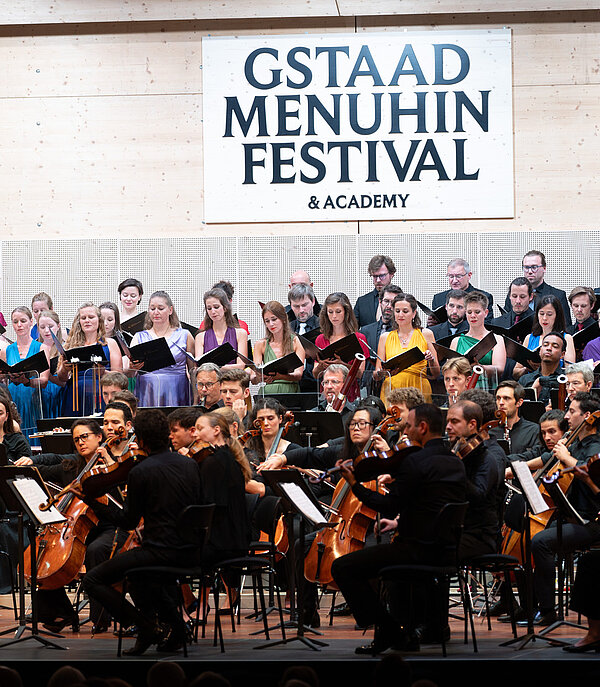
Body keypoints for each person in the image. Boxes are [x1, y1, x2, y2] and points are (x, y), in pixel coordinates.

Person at [329, 404, 467, 653]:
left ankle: (390, 631)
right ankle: (393, 632)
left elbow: (388, 504)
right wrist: (400, 523)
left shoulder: (415, 462)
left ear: (422, 427)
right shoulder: (454, 461)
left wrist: (354, 483)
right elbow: (432, 509)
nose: (405, 430)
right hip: (446, 551)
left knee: (342, 566)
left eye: (409, 425)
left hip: (416, 550)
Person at [81, 409, 205, 654]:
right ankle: (177, 630)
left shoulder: (141, 471)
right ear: (166, 435)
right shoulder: (189, 464)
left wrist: (93, 501)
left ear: (142, 441)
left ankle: (145, 626)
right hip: (192, 550)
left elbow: (127, 522)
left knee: (92, 579)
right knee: (138, 576)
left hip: (160, 552)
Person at [526, 392, 600, 626]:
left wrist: (566, 457)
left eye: (571, 411)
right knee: (529, 531)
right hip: (570, 516)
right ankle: (525, 604)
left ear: (587, 416)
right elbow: (548, 457)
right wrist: (514, 468)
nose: (566, 416)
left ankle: (547, 609)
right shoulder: (574, 440)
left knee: (541, 542)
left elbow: (590, 473)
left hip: (590, 520)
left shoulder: (596, 445)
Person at [445, 400, 503, 562]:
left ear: (472, 425)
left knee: (431, 552)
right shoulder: (456, 451)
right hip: (455, 531)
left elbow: (478, 495)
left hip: (479, 537)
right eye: (447, 421)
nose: (448, 426)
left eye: (454, 422)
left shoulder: (486, 458)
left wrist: (456, 470)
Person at [57, 302, 123, 416]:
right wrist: (64, 368)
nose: (87, 320)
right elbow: (62, 378)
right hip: (75, 395)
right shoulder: (70, 345)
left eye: (91, 317)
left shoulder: (110, 343)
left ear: (99, 320)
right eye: (83, 318)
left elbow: (120, 376)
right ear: (79, 322)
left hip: (101, 394)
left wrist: (103, 372)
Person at [131, 291, 194, 407]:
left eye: (160, 308)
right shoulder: (138, 337)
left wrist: (196, 397)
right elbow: (131, 372)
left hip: (177, 390)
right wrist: (133, 366)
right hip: (148, 391)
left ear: (170, 310)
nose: (156, 312)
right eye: (152, 308)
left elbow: (193, 370)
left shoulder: (185, 335)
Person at [375, 293, 439, 401]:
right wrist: (381, 372)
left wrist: (431, 360)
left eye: (405, 311)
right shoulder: (385, 337)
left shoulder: (426, 334)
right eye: (397, 311)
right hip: (392, 390)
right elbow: (377, 373)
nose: (400, 315)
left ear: (414, 313)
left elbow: (436, 372)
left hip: (419, 389)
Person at [1, 307, 50, 440]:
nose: (19, 325)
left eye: (23, 321)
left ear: (31, 321)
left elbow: (44, 380)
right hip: (13, 398)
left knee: (34, 435)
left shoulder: (42, 348)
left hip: (33, 398)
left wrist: (27, 381)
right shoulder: (7, 350)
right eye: (15, 322)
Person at [450, 291, 506, 386]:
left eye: (477, 312)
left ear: (486, 313)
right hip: (462, 388)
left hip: (487, 388)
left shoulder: (496, 339)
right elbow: (450, 370)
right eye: (469, 312)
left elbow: (499, 369)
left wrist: (480, 367)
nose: (472, 316)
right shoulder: (456, 341)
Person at [514, 295, 575, 378]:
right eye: (541, 314)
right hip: (531, 382)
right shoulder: (529, 338)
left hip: (556, 383)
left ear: (557, 316)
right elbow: (515, 372)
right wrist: (527, 369)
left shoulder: (566, 338)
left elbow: (570, 371)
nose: (544, 318)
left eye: (549, 314)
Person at [505, 250, 571, 326]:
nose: (530, 271)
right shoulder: (514, 294)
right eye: (526, 267)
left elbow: (566, 326)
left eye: (534, 267)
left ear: (544, 268)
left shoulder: (558, 295)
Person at [252, 301, 305, 394]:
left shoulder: (296, 341)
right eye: (267, 321)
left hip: (290, 392)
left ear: (283, 319)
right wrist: (260, 378)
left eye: (274, 319)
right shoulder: (261, 344)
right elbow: (253, 378)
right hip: (268, 392)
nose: (271, 324)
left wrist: (280, 376)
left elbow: (298, 374)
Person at [194, 288, 248, 369]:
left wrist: (216, 368)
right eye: (209, 308)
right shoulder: (200, 337)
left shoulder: (240, 334)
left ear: (225, 308)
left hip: (232, 379)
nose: (213, 311)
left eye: (216, 307)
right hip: (209, 380)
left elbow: (241, 366)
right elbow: (199, 367)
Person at [431, 259, 494, 324]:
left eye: (459, 276)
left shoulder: (484, 297)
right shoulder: (438, 298)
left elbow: (487, 325)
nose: (454, 280)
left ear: (469, 275)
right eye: (451, 276)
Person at [244, 397, 302, 465]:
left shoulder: (294, 450)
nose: (265, 423)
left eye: (270, 419)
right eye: (261, 419)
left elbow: (315, 472)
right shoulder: (249, 449)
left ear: (280, 419)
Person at [489, 381, 541, 455]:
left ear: (519, 402)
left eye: (506, 398)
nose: (501, 402)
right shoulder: (490, 431)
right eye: (498, 398)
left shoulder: (533, 430)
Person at [360, 285, 404, 366]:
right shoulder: (365, 331)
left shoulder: (404, 332)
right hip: (369, 377)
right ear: (380, 302)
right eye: (386, 301)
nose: (389, 306)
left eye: (393, 303)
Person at [519, 331, 566, 405]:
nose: (549, 348)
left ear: (562, 354)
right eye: (545, 345)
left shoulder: (566, 379)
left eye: (555, 346)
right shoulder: (525, 380)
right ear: (540, 351)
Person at [37, 309, 67, 419]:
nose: (46, 331)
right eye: (42, 327)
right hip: (39, 394)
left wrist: (49, 377)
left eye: (50, 326)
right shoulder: (36, 347)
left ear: (58, 326)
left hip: (59, 394)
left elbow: (67, 381)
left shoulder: (64, 348)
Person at [354, 255, 397, 328]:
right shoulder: (362, 302)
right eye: (374, 276)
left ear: (391, 274)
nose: (378, 280)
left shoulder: (402, 300)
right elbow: (353, 331)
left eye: (382, 276)